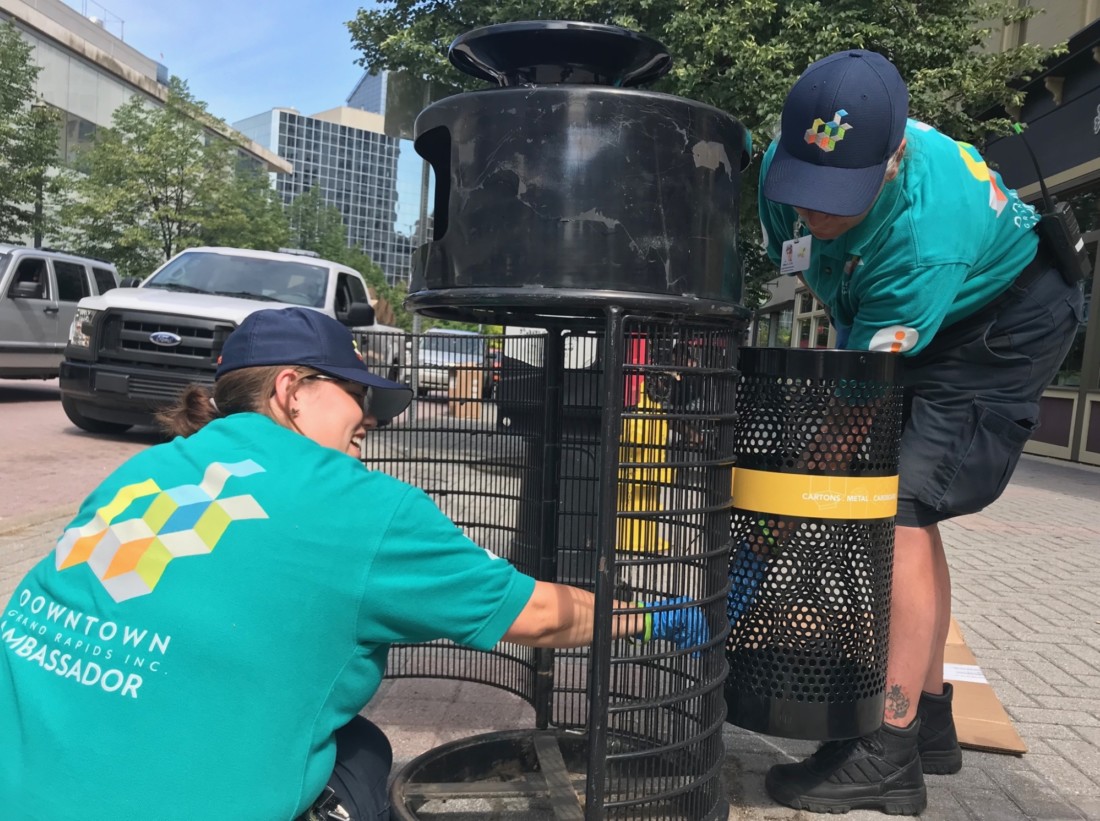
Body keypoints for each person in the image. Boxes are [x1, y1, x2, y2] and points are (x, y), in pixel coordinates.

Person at [0, 307, 709, 821]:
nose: (366, 423)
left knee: (345, 733)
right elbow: (541, 617)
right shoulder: (358, 505)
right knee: (363, 755)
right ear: (290, 390)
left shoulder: (143, 472)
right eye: (356, 397)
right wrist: (652, 616)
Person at [756, 50, 1083, 815]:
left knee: (898, 508)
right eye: (805, 191)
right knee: (902, 507)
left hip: (1004, 324)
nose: (815, 216)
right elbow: (820, 271)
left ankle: (888, 750)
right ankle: (931, 720)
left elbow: (853, 408)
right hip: (930, 315)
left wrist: (791, 504)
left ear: (893, 159)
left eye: (838, 198)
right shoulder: (783, 169)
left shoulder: (923, 238)